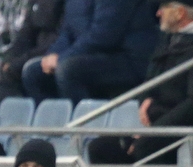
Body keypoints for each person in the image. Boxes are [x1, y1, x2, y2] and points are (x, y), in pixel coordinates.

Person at [87, 1, 193, 167]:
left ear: (180, 13)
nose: (158, 13)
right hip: (157, 125)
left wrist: (155, 131)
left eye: (163, 8)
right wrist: (144, 100)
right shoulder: (168, 38)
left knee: (145, 147)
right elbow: (150, 80)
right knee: (100, 148)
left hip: (186, 129)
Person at [20, 0, 160, 105]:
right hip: (92, 53)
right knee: (32, 72)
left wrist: (62, 57)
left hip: (129, 58)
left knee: (68, 69)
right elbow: (67, 32)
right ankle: (52, 132)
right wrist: (51, 56)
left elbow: (105, 35)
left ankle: (84, 131)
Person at [0, 0, 64, 101]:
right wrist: (10, 59)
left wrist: (20, 61)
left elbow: (58, 38)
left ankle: (37, 113)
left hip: (53, 51)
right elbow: (25, 35)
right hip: (32, 52)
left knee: (30, 71)